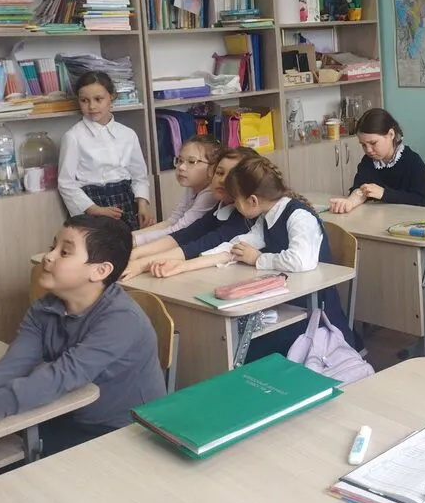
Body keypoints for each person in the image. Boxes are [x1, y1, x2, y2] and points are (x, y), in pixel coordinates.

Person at [0, 216, 166, 457]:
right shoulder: (46, 307)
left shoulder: (122, 320)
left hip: (123, 432)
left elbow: (59, 377)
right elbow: (15, 363)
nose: (49, 256)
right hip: (68, 412)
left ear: (100, 270)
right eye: (52, 246)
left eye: (64, 252)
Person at [151, 155, 357, 349]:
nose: (235, 206)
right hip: (286, 302)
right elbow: (234, 247)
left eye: (236, 200)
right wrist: (182, 266)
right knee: (241, 343)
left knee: (246, 346)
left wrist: (258, 258)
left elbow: (300, 260)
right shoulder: (266, 217)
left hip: (315, 314)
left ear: (252, 200)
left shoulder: (299, 217)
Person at [121, 147, 255, 279]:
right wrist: (136, 254)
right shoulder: (220, 206)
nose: (222, 180)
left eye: (231, 177)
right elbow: (184, 235)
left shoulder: (243, 217)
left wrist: (141, 264)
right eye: (219, 173)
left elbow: (200, 246)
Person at [58, 71, 153, 230]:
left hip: (125, 201)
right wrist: (94, 209)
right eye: (84, 100)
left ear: (112, 97)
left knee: (131, 242)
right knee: (98, 244)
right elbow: (66, 183)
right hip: (91, 203)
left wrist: (142, 206)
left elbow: (139, 176)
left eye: (98, 99)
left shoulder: (128, 134)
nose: (92, 106)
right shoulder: (73, 137)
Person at [329, 108, 425, 213]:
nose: (368, 150)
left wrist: (384, 193)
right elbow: (360, 189)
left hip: (407, 218)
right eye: (363, 145)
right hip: (378, 217)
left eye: (373, 143)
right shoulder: (368, 161)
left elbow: (422, 201)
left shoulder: (413, 162)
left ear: (391, 134)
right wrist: (350, 202)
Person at [133, 136, 222, 246]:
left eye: (192, 161)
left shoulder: (210, 194)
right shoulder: (193, 186)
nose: (181, 167)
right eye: (180, 160)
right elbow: (173, 221)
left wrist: (135, 241)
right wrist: (132, 236)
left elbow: (180, 230)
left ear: (213, 167)